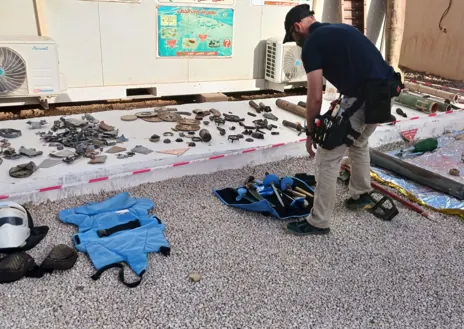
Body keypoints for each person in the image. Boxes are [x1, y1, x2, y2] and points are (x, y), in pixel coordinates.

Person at [282, 4, 401, 236]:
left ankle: (318, 222)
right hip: (385, 96)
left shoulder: (312, 45)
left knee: (326, 158)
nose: (296, 42)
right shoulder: (343, 30)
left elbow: (314, 96)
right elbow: (361, 66)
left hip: (363, 100)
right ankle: (361, 193)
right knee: (358, 142)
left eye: (294, 37)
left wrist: (310, 132)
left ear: (298, 27)